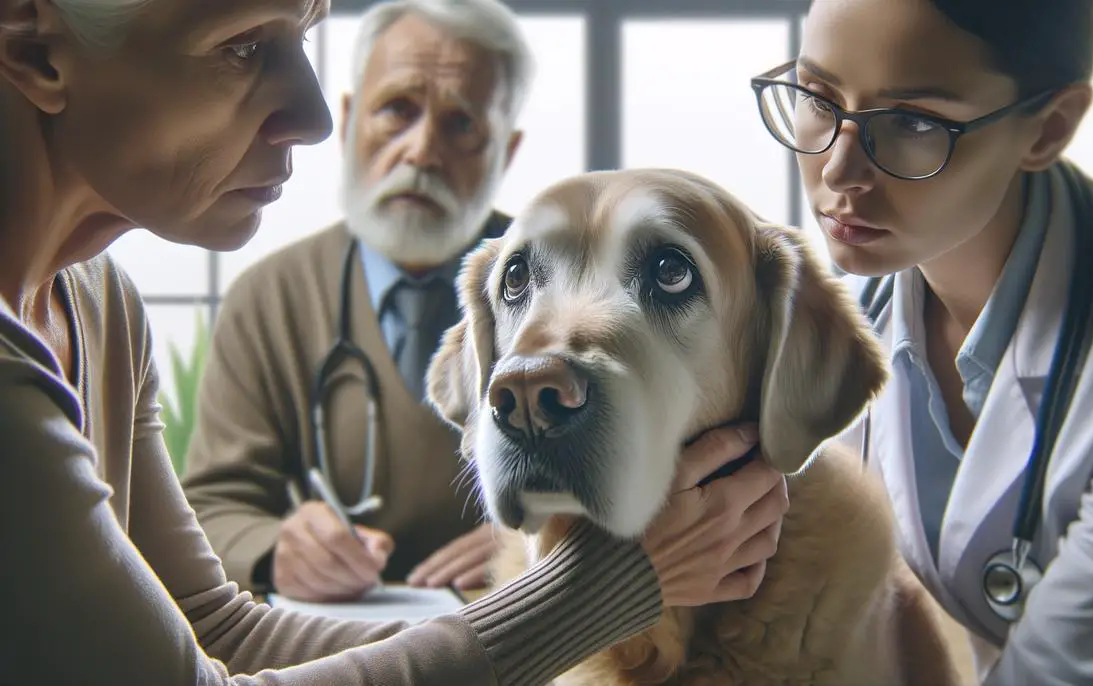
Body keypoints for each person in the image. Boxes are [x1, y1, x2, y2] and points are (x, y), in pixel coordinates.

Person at [0, 0, 791, 683]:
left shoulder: (99, 302)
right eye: (242, 44)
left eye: (304, 39)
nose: (310, 116)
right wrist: (614, 584)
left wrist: (557, 633)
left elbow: (219, 629)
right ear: (35, 48)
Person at [751, 0, 1093, 683]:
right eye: (817, 96)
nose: (839, 173)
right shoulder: (827, 312)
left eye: (912, 122)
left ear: (1048, 128)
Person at [180, 0, 525, 603]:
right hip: (332, 648)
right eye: (397, 109)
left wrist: (541, 542)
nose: (421, 152)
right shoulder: (268, 299)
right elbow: (213, 505)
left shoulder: (566, 287)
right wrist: (276, 548)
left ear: (507, 152)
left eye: (463, 123)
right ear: (347, 119)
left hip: (524, 640)